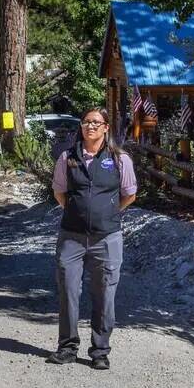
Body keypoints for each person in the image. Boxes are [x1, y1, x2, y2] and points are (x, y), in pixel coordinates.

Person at [45, 106, 137, 370]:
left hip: (107, 238)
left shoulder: (120, 159)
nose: (91, 126)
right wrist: (79, 212)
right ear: (81, 126)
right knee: (68, 292)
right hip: (71, 237)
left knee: (105, 294)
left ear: (106, 127)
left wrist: (106, 212)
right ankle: (67, 347)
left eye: (97, 122)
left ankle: (100, 351)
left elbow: (129, 194)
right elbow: (59, 192)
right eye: (87, 122)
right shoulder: (67, 158)